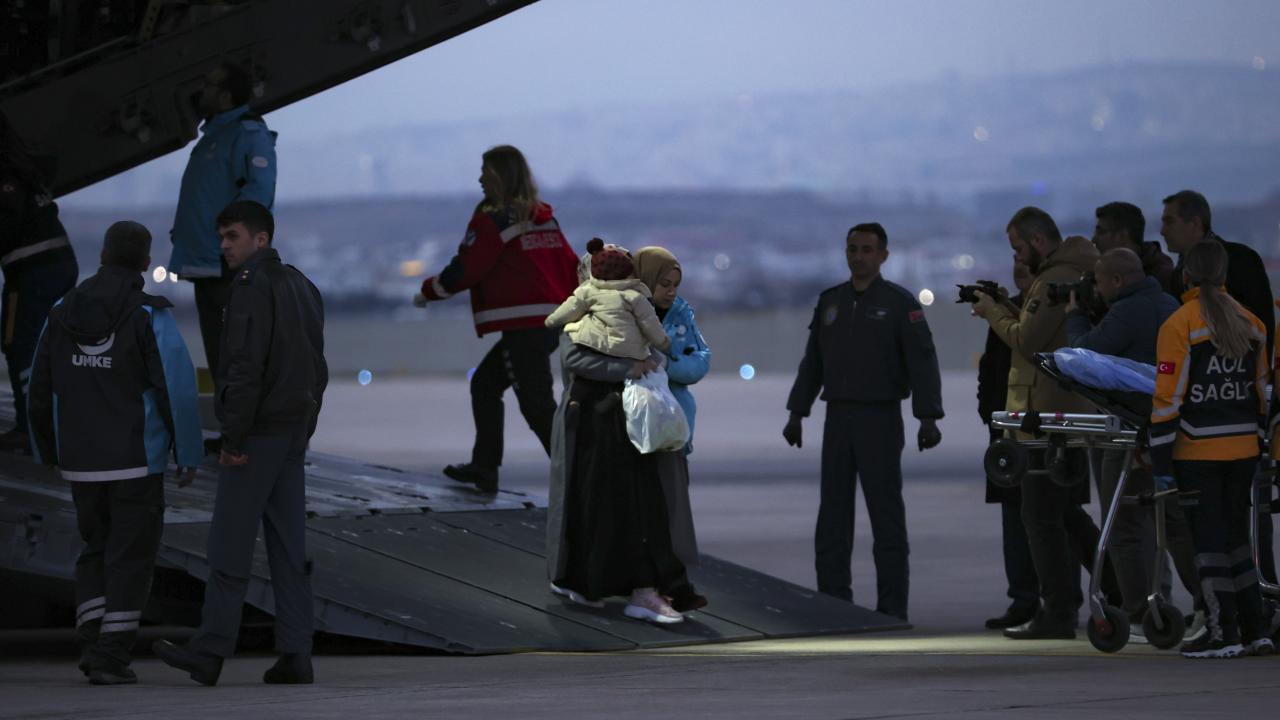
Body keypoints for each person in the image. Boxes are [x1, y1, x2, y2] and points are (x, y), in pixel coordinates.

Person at [153, 201, 327, 686]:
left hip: (258, 433)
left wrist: (233, 437)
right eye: (222, 237)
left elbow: (245, 368)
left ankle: (210, 651)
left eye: (232, 236)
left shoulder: (250, 288)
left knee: (229, 544)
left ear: (261, 239)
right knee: (289, 547)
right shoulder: (302, 286)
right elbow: (318, 365)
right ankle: (296, 653)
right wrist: (305, 426)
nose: (224, 246)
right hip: (291, 431)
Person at [27, 221, 202, 685]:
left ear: (103, 255)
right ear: (145, 262)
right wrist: (188, 453)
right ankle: (109, 656)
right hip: (135, 463)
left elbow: (39, 387)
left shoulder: (61, 311)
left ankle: (92, 642)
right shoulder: (149, 315)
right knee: (131, 557)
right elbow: (176, 389)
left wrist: (49, 448)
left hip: (81, 463)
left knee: (94, 550)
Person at [784, 222, 943, 621]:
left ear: (883, 255)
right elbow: (813, 362)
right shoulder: (831, 302)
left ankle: (892, 607)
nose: (858, 257)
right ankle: (833, 601)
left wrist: (927, 417)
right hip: (838, 418)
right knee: (832, 516)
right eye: (852, 249)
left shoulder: (899, 303)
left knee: (886, 516)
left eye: (867, 249)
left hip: (880, 418)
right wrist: (797, 412)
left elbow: (922, 362)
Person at [972, 207, 1105, 640]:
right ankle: (1118, 590)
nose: (1017, 256)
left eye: (1018, 247)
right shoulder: (1071, 273)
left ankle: (1059, 612)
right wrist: (1009, 305)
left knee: (1041, 518)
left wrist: (992, 312)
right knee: (1063, 514)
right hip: (1060, 412)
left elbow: (1026, 341)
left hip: (1046, 416)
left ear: (1038, 241)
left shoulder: (1053, 279)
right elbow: (1041, 330)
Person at [416, 145, 578, 493]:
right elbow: (570, 265)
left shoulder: (495, 221)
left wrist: (429, 291)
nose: (479, 180)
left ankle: (580, 476)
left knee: (536, 406)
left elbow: (467, 268)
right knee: (486, 385)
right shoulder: (543, 218)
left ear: (499, 177)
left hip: (525, 326)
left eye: (485, 172)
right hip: (548, 323)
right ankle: (485, 467)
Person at [544, 240, 688, 624]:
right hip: (593, 425)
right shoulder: (584, 311)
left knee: (627, 505)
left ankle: (631, 586)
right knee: (599, 504)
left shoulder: (628, 309)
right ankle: (601, 582)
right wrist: (627, 368)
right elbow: (575, 358)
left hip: (622, 422)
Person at [1065, 248, 1201, 631]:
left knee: (1123, 525)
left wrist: (1075, 316)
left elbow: (1084, 356)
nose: (1097, 289)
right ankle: (1208, 601)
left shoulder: (1127, 311)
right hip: (1171, 431)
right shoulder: (1170, 304)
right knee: (1176, 524)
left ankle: (1140, 613)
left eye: (1099, 282)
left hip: (1130, 431)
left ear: (1117, 280)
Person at [1151, 240, 1272, 659]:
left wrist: (1160, 458)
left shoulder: (1179, 325)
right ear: (1224, 275)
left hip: (1197, 451)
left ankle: (1224, 634)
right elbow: (1261, 393)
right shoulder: (1253, 324)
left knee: (1208, 546)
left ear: (1185, 275)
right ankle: (1256, 629)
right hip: (1244, 449)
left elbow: (1168, 398)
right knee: (1238, 541)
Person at [1161, 189, 1278, 587]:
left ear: (1195, 223)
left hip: (1218, 424)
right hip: (1228, 423)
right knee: (1227, 529)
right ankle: (1243, 607)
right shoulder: (1177, 275)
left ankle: (1244, 604)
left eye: (1170, 221)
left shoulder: (1240, 262)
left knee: (1236, 524)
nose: (1162, 230)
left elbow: (1263, 337)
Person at [170, 61, 277, 372]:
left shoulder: (248, 135)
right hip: (207, 264)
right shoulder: (217, 134)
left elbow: (258, 193)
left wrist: (229, 243)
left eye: (209, 85)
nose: (202, 91)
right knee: (221, 360)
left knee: (236, 362)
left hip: (225, 267)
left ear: (226, 96)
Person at [636, 245, 711, 611]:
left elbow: (701, 361)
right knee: (648, 513)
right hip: (641, 429)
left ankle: (673, 584)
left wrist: (667, 365)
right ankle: (656, 585)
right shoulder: (629, 313)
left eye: (675, 285)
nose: (670, 291)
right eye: (663, 283)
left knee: (674, 512)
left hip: (674, 430)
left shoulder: (682, 314)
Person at [0, 111, 80, 452]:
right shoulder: (24, 166)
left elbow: (6, 227)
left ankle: (32, 428)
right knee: (46, 346)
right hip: (56, 264)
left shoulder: (5, 176)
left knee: (19, 344)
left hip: (32, 271)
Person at [978, 261, 1041, 630]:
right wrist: (990, 414)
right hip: (1008, 430)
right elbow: (990, 370)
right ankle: (1025, 597)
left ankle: (1051, 597)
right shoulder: (1006, 314)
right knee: (1015, 518)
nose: (1020, 267)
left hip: (1039, 428)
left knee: (1050, 519)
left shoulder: (1030, 317)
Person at [544, 238, 671, 360]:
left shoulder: (585, 294)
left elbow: (568, 309)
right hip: (633, 354)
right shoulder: (637, 297)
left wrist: (550, 321)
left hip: (598, 346)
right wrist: (663, 344)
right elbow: (650, 324)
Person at [1092, 202, 1175, 294]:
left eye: (1101, 232)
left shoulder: (1162, 276)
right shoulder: (1103, 269)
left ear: (1122, 236)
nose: (1094, 239)